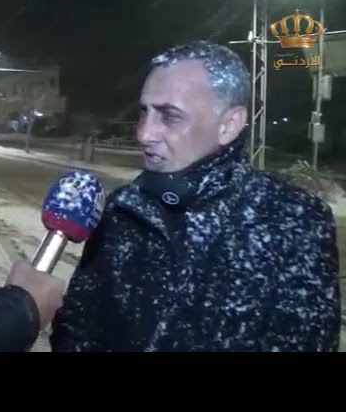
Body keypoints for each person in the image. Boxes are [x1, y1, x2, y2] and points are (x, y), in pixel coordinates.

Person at [50, 40, 341, 352]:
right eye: (144, 112)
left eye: (170, 116)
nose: (144, 134)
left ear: (229, 125)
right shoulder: (122, 210)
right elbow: (77, 330)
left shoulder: (295, 221)